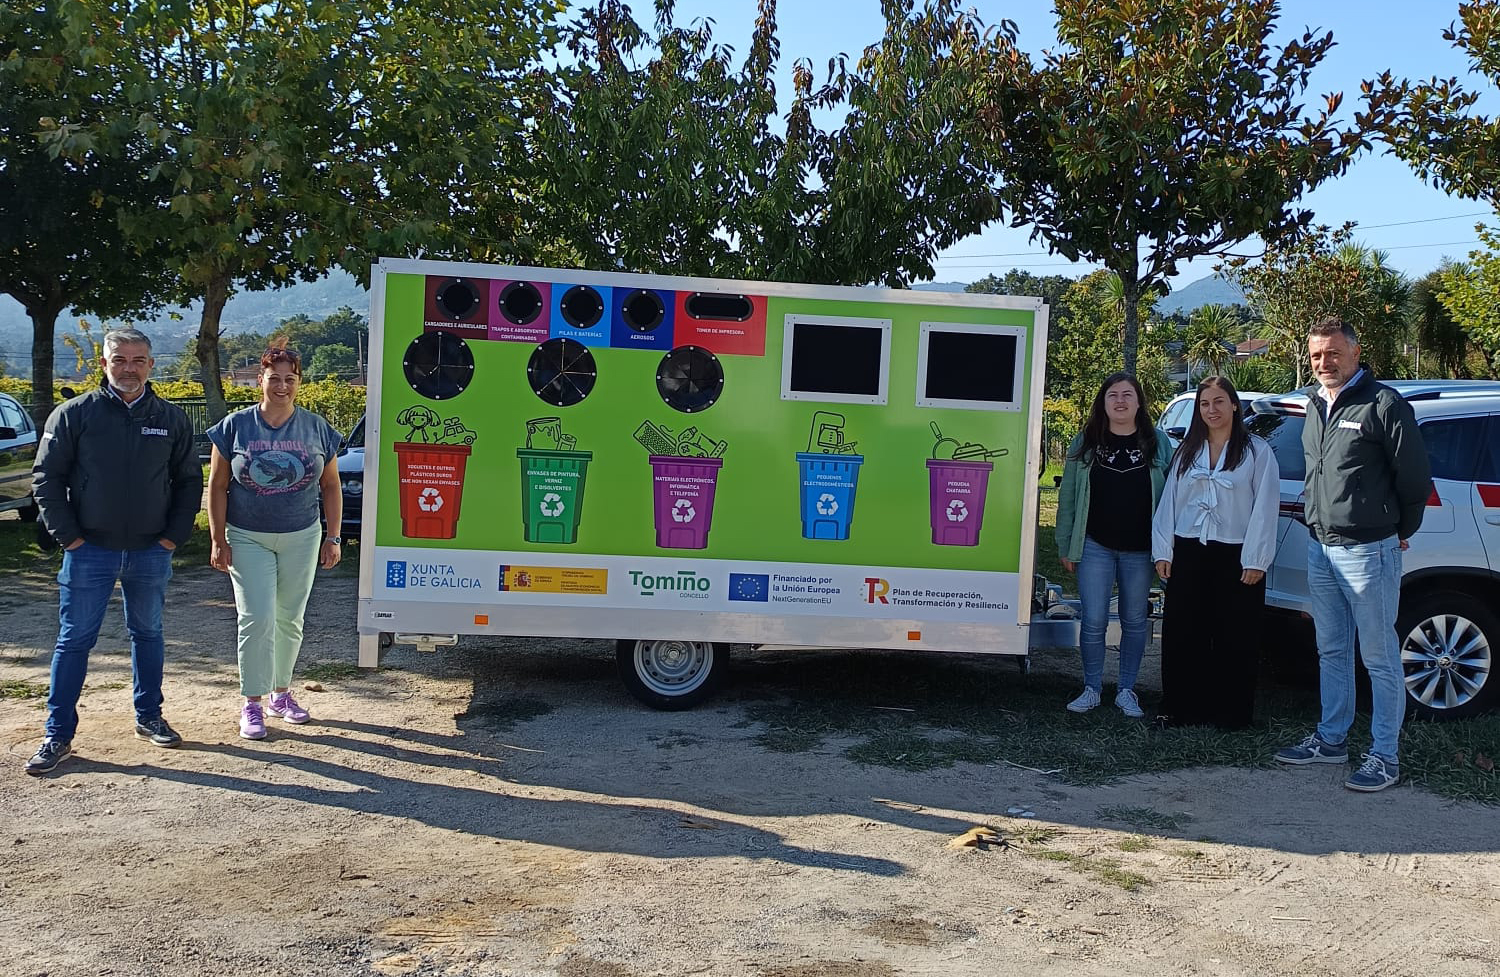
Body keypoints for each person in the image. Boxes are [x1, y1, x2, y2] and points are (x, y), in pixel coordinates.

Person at [25, 328, 202, 775]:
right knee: (74, 640)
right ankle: (57, 734)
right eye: (119, 360)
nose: (129, 368)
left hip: (151, 550)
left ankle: (149, 716)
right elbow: (46, 479)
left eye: (138, 360)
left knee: (148, 634)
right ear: (103, 364)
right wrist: (69, 537)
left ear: (151, 365)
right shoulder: (73, 415)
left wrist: (172, 536)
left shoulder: (172, 418)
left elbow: (188, 481)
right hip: (89, 550)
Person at [1274, 319, 1431, 792]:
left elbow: (1414, 479)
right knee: (1332, 651)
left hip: (1369, 551)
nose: (1324, 362)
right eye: (1316, 354)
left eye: (1333, 353)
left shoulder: (1384, 404)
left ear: (1355, 353)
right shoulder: (1313, 404)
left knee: (1379, 657)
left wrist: (1398, 531)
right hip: (1320, 548)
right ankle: (1332, 740)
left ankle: (1385, 756)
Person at [206, 343, 343, 740]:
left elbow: (331, 486)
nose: (282, 386)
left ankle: (280, 695)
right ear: (259, 381)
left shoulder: (317, 428)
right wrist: (217, 538)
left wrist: (333, 537)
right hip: (247, 536)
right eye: (274, 378)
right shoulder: (235, 426)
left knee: (289, 619)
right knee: (257, 618)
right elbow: (217, 486)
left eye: (290, 379)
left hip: (302, 535)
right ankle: (251, 702)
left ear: (299, 382)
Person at [1151, 376, 1280, 730]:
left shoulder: (1256, 451)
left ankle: (1230, 713)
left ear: (1234, 405)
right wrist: (1163, 550)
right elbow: (1170, 502)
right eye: (1205, 404)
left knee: (1235, 635)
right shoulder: (1187, 451)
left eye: (1219, 402)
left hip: (1236, 553)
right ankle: (1178, 708)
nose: (1212, 410)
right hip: (1189, 549)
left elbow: (1265, 507)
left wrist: (1256, 559)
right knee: (1183, 632)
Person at [1054, 372, 1174, 718]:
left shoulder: (1158, 442)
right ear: (1103, 403)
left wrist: (1168, 548)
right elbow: (1068, 497)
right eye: (1113, 395)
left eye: (1127, 395)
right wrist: (1065, 543)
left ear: (1139, 402)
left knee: (1134, 621)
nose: (1120, 401)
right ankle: (1091, 688)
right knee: (1093, 620)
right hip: (1095, 546)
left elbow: (1172, 498)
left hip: (1141, 549)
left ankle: (1126, 690)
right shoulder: (1086, 441)